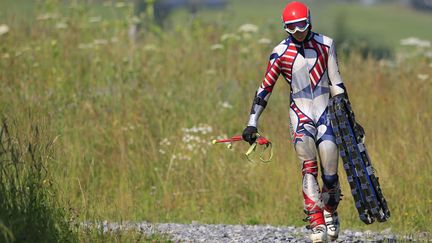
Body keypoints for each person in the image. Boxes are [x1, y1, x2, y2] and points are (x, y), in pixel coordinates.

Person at [242, 2, 347, 242]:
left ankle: (330, 209)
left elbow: (337, 84)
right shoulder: (279, 53)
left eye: (302, 25)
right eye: (292, 27)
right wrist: (252, 122)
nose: (298, 31)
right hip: (299, 114)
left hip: (326, 112)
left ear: (309, 21)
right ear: (285, 27)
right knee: (308, 168)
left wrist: (348, 116)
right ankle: (315, 220)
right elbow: (265, 87)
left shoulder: (326, 45)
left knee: (330, 172)